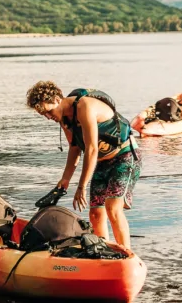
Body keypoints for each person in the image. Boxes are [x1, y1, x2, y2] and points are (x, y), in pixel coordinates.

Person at [25, 81, 142, 251]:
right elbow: (74, 148)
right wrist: (64, 180)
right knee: (95, 213)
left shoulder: (85, 106)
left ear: (58, 99)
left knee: (112, 208)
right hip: (102, 163)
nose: (48, 117)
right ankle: (103, 252)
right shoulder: (64, 119)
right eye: (43, 114)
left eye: (49, 111)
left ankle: (126, 253)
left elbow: (92, 149)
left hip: (125, 157)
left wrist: (81, 186)